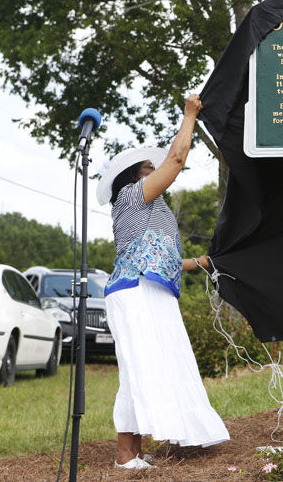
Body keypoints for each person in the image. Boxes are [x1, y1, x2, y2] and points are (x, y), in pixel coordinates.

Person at [96, 94, 229, 469]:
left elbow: (162, 258)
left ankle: (137, 451)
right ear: (133, 176)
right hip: (134, 291)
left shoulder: (156, 209)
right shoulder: (130, 197)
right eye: (148, 168)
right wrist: (189, 116)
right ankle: (126, 456)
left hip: (153, 290)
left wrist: (200, 262)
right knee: (139, 368)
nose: (156, 171)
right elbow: (176, 160)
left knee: (155, 365)